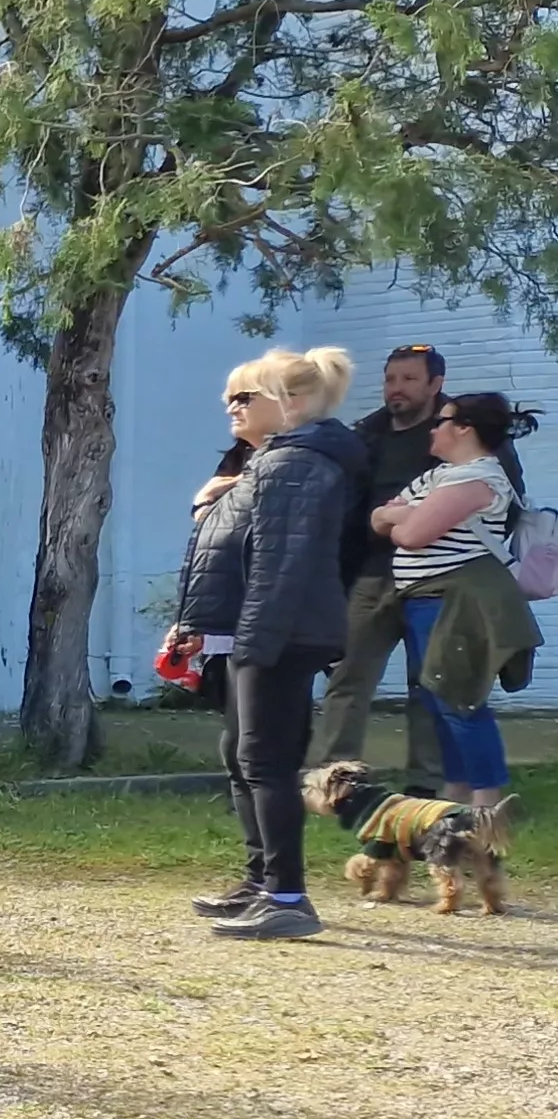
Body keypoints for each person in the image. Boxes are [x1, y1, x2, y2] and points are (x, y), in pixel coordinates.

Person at [172, 348, 364, 939]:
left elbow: (282, 566)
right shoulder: (271, 463)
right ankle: (262, 881)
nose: (231, 406)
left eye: (245, 396)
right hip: (257, 630)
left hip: (278, 633)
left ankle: (286, 895)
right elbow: (236, 553)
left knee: (265, 761)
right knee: (242, 756)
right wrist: (208, 508)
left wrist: (257, 643)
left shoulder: (295, 466)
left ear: (293, 404)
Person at [376, 393, 539, 811]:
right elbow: (378, 516)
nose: (433, 429)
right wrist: (403, 517)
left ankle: (486, 807)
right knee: (438, 699)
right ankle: (457, 798)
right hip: (422, 601)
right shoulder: (442, 476)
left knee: (459, 700)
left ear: (464, 427)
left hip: (453, 602)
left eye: (441, 421)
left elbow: (409, 535)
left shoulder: (477, 479)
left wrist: (403, 518)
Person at [311, 346, 453, 791]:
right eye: (391, 379)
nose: (397, 388)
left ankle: (425, 783)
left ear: (435, 385)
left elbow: (500, 495)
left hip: (437, 576)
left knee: (430, 682)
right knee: (348, 676)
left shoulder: (457, 434)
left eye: (409, 379)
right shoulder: (365, 435)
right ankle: (336, 779)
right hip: (374, 574)